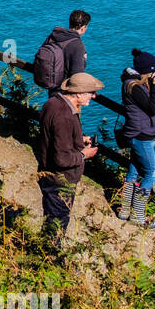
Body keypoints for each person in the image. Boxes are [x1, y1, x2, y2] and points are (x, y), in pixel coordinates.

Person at [36, 72, 104, 246]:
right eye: (91, 93)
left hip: (47, 172)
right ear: (79, 94)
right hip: (60, 179)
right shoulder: (65, 116)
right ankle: (49, 259)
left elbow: (54, 136)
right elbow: (62, 158)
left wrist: (77, 139)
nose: (93, 96)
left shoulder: (52, 103)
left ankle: (44, 252)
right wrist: (84, 154)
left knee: (51, 217)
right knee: (58, 221)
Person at [117, 48, 155, 228]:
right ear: (148, 71)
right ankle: (138, 216)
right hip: (141, 136)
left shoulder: (134, 84)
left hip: (139, 134)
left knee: (133, 172)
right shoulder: (134, 87)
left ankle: (125, 211)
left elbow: (153, 104)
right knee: (151, 174)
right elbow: (153, 108)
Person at [34, 10, 91, 99]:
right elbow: (77, 76)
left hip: (52, 88)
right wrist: (83, 61)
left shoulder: (54, 36)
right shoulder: (78, 45)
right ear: (83, 28)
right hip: (66, 94)